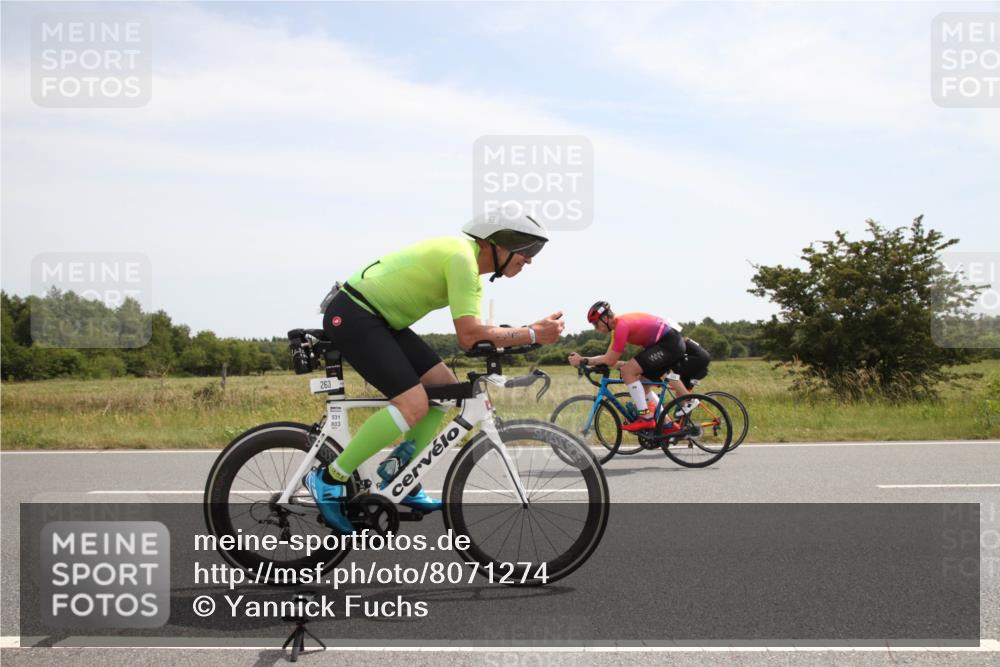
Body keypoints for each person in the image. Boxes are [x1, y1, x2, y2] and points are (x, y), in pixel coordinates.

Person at [307, 209, 565, 533]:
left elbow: (477, 333)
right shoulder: (462, 259)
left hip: (384, 321)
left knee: (444, 388)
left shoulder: (467, 265)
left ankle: (401, 471)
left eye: (535, 251)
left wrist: (523, 335)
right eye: (525, 248)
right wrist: (531, 333)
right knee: (412, 404)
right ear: (495, 242)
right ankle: (330, 477)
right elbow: (470, 336)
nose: (529, 259)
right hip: (356, 313)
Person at [568, 301, 688, 432]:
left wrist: (583, 360)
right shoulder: (617, 329)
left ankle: (646, 417)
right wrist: (586, 361)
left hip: (669, 344)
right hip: (667, 343)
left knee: (627, 371)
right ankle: (668, 425)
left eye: (596, 323)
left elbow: (610, 360)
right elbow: (609, 357)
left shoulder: (621, 326)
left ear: (605, 318)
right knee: (643, 383)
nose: (596, 328)